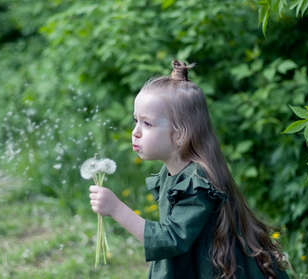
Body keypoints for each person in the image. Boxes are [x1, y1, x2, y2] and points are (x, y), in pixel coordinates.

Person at [88, 60, 290, 279]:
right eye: (135, 121)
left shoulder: (198, 182)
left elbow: (171, 239)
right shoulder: (171, 173)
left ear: (179, 135)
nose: (135, 132)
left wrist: (116, 209)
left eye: (147, 124)